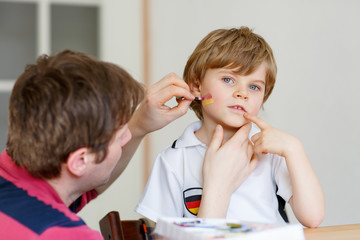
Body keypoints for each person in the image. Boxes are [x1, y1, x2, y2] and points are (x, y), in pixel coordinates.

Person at [135, 27, 325, 227]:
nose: (242, 93)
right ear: (197, 87)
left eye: (254, 87)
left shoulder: (269, 148)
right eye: (228, 79)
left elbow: (312, 218)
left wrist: (294, 149)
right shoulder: (174, 159)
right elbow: (164, 234)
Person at [0, 49, 196, 239]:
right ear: (80, 161)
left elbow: (86, 181)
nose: (127, 137)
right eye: (119, 136)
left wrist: (139, 125)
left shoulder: (11, 169)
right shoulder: (64, 234)